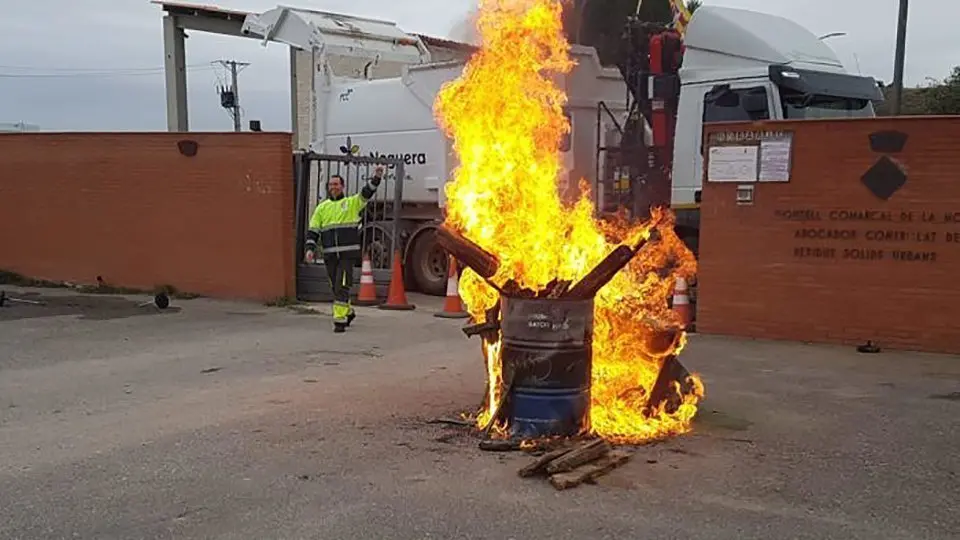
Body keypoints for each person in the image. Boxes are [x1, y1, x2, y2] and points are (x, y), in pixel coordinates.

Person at [305, 167, 385, 333]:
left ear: (343, 186)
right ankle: (348, 311)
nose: (333, 187)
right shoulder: (322, 208)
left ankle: (339, 320)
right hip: (329, 255)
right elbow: (313, 230)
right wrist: (310, 249)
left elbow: (366, 193)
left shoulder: (351, 203)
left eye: (336, 184)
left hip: (347, 255)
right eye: (331, 184)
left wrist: (376, 178)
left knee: (342, 286)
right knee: (335, 287)